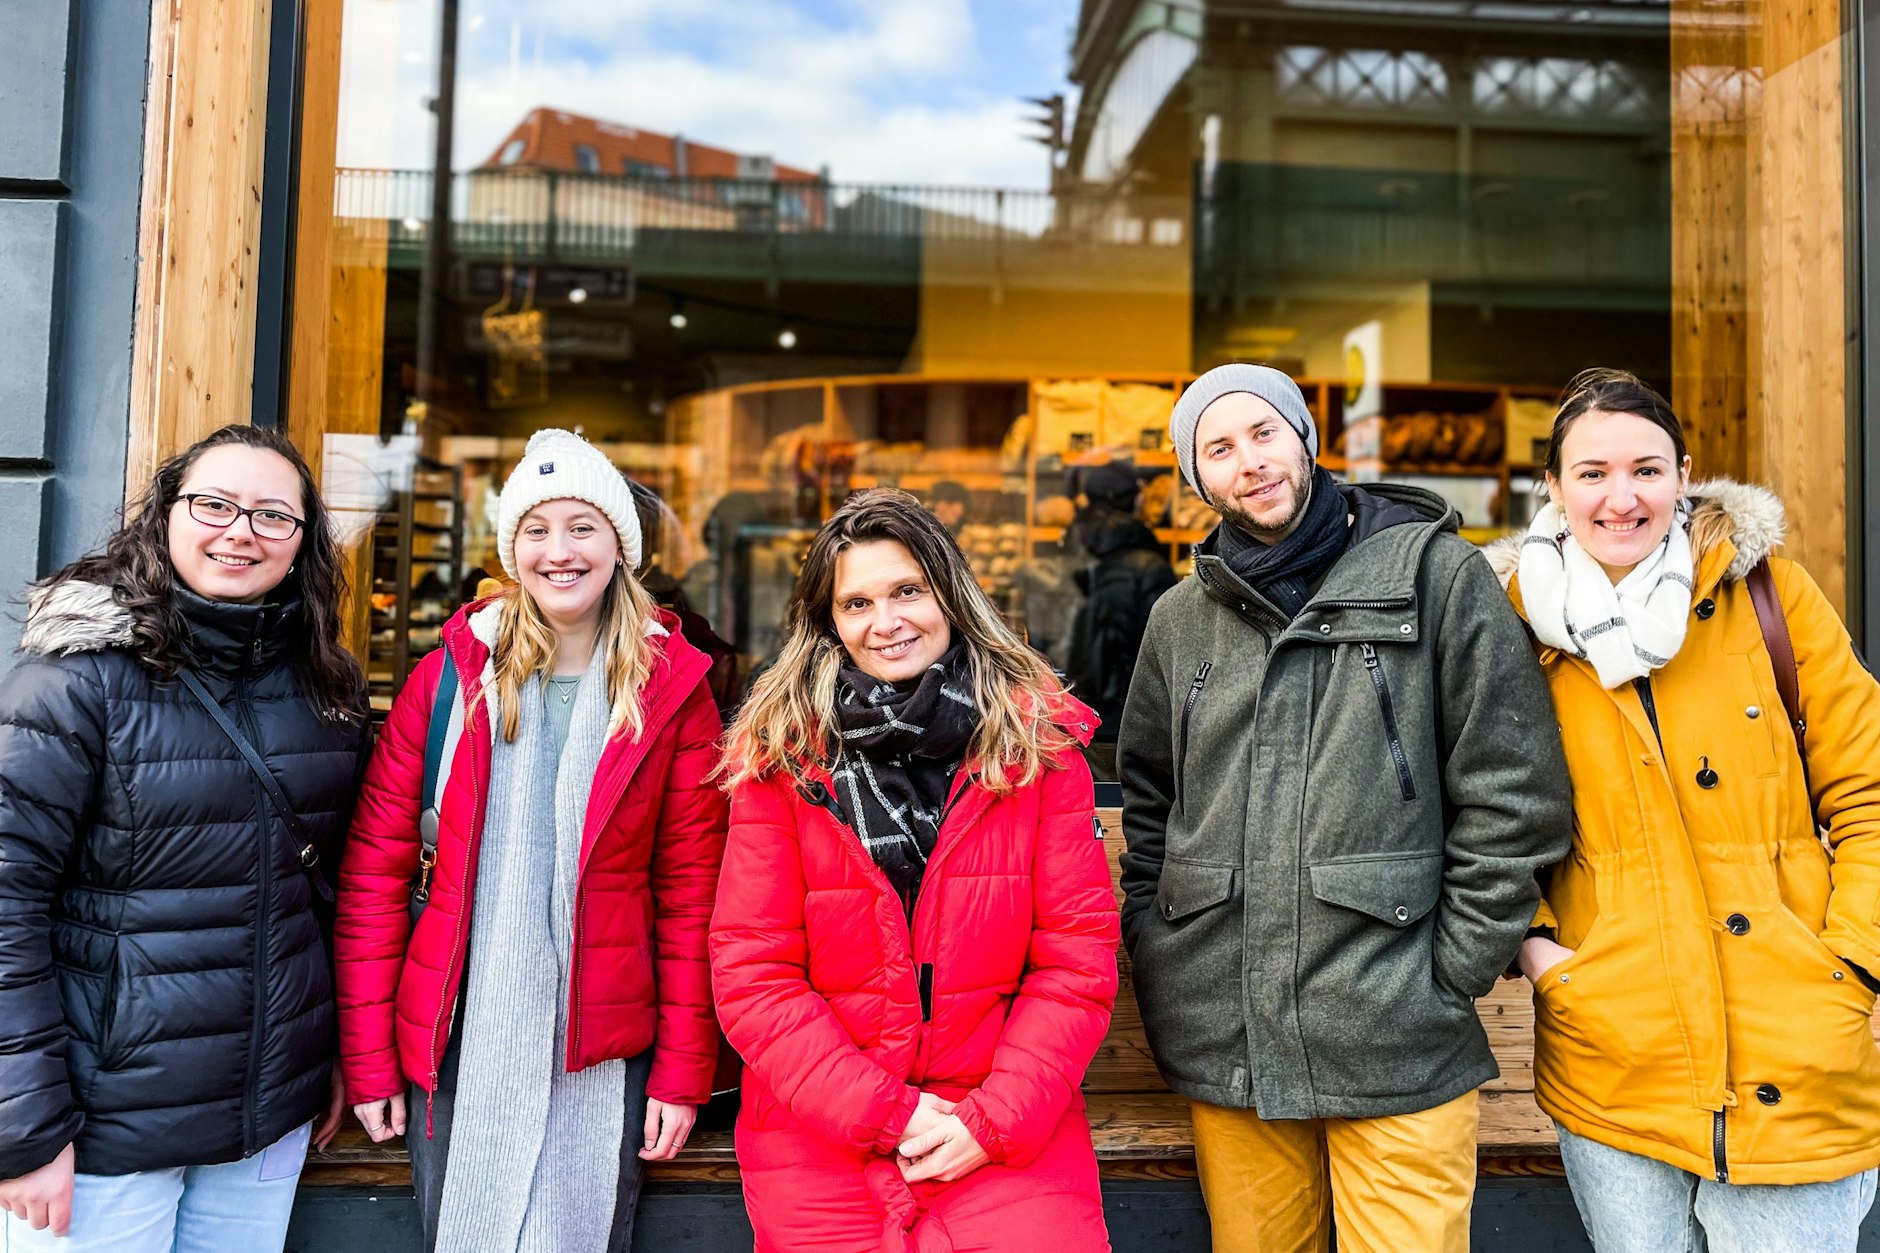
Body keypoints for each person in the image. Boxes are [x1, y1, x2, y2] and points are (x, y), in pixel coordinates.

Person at [1117, 363, 1571, 1253]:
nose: (1250, 460)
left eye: (1264, 432)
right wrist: (1163, 945)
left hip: (1399, 1029)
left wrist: (1452, 969)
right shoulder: (1179, 618)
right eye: (1219, 448)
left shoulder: (1437, 576)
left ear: (1305, 436)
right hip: (1229, 1038)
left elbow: (1514, 789)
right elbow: (1151, 804)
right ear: (1197, 478)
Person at [1486, 369, 1880, 1251]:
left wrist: (1856, 961)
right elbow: (1478, 817)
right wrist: (1546, 958)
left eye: (1647, 469)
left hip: (1799, 1046)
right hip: (1615, 1049)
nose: (1620, 497)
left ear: (1685, 474)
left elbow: (1870, 788)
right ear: (1553, 486)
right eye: (1592, 473)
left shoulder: (1772, 597)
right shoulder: (1508, 626)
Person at [335, 429, 727, 1252]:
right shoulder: (447, 681)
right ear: (512, 548)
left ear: (619, 545)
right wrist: (369, 1058)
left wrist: (684, 1071)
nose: (560, 551)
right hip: (456, 1042)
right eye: (537, 529)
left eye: (583, 526)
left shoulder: (671, 692)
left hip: (607, 1048)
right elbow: (375, 878)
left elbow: (693, 899)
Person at [712, 488, 1119, 1251]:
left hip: (1002, 1116)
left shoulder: (1036, 744)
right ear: (829, 621)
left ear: (949, 595)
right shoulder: (782, 757)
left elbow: (1075, 960)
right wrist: (885, 1111)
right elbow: (753, 971)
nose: (886, 621)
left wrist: (992, 1121)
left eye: (907, 591)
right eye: (857, 602)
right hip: (824, 1121)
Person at [0, 424, 368, 1250]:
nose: (241, 531)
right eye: (214, 504)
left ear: (302, 542)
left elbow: (329, 895)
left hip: (268, 1113)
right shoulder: (74, 680)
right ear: (165, 513)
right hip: (102, 1131)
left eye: (273, 515)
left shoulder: (325, 686)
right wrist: (23, 1130)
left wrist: (332, 1051)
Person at [1063, 461, 1177, 744]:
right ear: (1130, 500)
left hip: (1064, 717)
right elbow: (1163, 654)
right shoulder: (1149, 567)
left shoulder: (1061, 555)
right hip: (1126, 724)